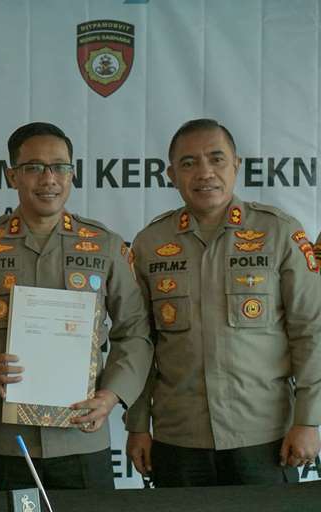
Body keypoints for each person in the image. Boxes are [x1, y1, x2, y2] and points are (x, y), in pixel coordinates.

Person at [0, 121, 153, 490]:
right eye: (34, 167)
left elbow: (135, 330)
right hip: (5, 440)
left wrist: (111, 396)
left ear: (72, 174)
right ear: (12, 176)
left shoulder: (105, 245)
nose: (48, 178)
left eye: (59, 167)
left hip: (82, 436)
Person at [125, 118, 321, 487]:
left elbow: (310, 331)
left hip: (265, 436)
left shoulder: (278, 232)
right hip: (178, 437)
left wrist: (308, 420)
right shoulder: (150, 243)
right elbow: (139, 342)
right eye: (189, 163)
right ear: (171, 174)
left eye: (216, 159)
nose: (205, 173)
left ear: (236, 165)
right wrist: (137, 426)